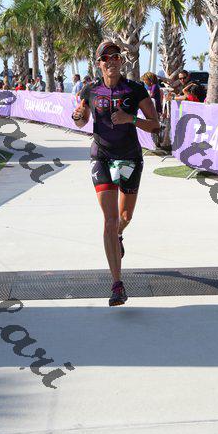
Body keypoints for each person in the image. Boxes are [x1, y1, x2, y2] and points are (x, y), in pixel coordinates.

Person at [72, 41, 159, 306]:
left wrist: (130, 119)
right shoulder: (90, 90)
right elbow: (82, 120)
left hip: (129, 156)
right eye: (105, 57)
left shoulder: (135, 89)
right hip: (101, 156)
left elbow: (155, 125)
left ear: (122, 61)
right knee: (109, 221)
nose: (111, 60)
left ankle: (118, 235)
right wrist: (77, 116)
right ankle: (117, 285)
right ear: (98, 63)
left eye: (116, 56)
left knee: (124, 217)